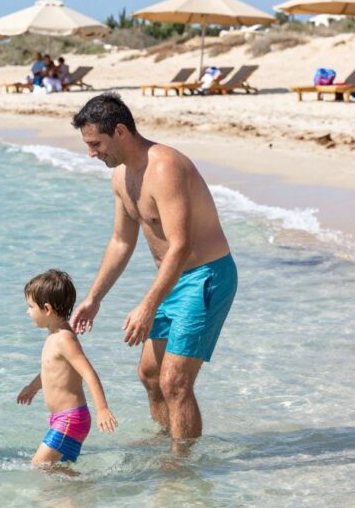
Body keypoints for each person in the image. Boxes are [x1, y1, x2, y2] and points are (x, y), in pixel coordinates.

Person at [68, 93, 237, 452]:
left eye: (96, 144)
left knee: (174, 381)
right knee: (149, 375)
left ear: (120, 131)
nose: (92, 153)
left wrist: (146, 306)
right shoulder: (121, 178)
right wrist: (94, 298)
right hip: (175, 280)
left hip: (206, 276)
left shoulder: (165, 168)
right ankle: (168, 441)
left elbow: (181, 245)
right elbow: (119, 242)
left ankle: (182, 464)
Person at [17, 270, 117, 467]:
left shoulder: (64, 338)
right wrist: (32, 387)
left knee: (39, 465)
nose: (28, 312)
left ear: (46, 309)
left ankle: (86, 488)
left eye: (30, 307)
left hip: (71, 419)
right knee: (56, 471)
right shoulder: (54, 336)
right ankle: (78, 493)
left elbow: (88, 373)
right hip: (62, 419)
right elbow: (50, 371)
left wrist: (102, 409)